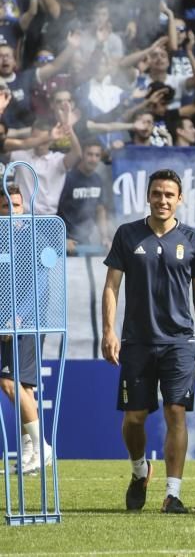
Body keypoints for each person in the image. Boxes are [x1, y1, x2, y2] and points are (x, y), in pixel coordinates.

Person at [102, 169, 195, 513]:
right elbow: (111, 286)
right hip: (137, 342)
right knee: (134, 418)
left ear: (180, 199)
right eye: (157, 194)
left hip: (180, 342)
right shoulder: (127, 234)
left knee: (175, 411)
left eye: (169, 194)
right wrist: (109, 330)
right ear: (147, 197)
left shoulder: (193, 240)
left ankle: (173, 494)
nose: (162, 200)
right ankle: (140, 471)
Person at [0, 184, 52, 475]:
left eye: (16, 206)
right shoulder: (1, 237)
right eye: (6, 206)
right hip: (6, 322)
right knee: (25, 389)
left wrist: (19, 316)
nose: (12, 212)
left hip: (28, 323)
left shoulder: (34, 236)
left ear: (25, 207)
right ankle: (30, 454)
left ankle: (41, 446)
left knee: (9, 382)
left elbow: (40, 282)